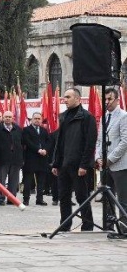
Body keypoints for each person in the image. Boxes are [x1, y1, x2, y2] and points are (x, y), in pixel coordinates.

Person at [51, 88, 97, 232]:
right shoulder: (63, 116)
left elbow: (90, 143)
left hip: (79, 165)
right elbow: (60, 142)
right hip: (63, 164)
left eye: (68, 97)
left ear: (77, 99)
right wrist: (56, 163)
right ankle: (65, 225)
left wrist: (84, 165)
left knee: (82, 196)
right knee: (63, 196)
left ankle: (87, 225)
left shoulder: (86, 117)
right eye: (64, 97)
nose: (65, 99)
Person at [95, 88, 127, 238]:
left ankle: (124, 228)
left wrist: (110, 159)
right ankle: (109, 226)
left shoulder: (123, 116)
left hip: (120, 165)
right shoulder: (104, 117)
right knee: (107, 197)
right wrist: (98, 158)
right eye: (105, 99)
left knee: (122, 198)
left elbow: (124, 142)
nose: (106, 102)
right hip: (105, 165)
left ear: (117, 100)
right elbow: (100, 140)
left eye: (109, 99)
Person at [0, 111, 23, 206]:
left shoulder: (18, 129)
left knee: (14, 181)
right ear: (3, 118)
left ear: (13, 118)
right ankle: (0, 198)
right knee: (1, 180)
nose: (8, 118)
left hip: (16, 159)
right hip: (2, 159)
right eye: (6, 117)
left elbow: (22, 144)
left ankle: (11, 199)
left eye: (9, 117)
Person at [22, 112, 50, 206]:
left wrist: (45, 150)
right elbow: (27, 141)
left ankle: (39, 199)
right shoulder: (26, 130)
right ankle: (26, 199)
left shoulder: (44, 130)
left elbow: (48, 141)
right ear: (31, 120)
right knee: (28, 181)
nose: (37, 120)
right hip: (31, 158)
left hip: (42, 159)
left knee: (41, 181)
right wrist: (38, 150)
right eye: (35, 118)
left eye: (39, 118)